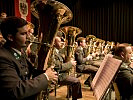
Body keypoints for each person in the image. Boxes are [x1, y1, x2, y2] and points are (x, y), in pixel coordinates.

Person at [0, 16, 58, 100]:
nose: (29, 37)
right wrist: (45, 77)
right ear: (10, 37)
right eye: (23, 34)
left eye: (28, 33)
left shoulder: (19, 51)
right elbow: (16, 90)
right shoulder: (3, 57)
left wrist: (46, 73)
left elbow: (28, 72)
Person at [53, 36, 82, 100]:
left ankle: (70, 95)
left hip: (62, 73)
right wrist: (70, 63)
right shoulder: (53, 52)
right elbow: (58, 67)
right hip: (58, 76)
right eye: (59, 41)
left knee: (73, 77)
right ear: (54, 43)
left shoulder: (58, 51)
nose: (61, 43)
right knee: (76, 81)